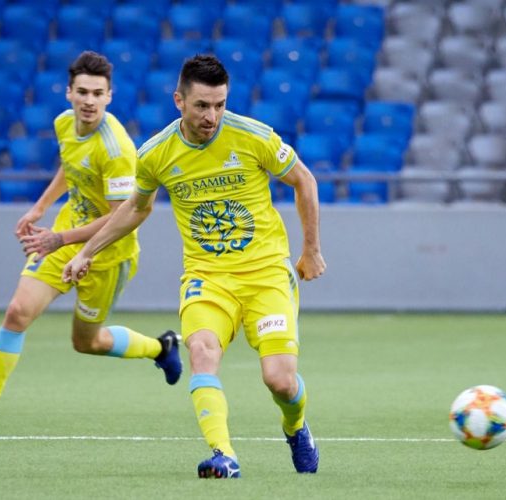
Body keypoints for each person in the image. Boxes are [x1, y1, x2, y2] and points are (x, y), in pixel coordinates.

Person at [63, 55, 326, 478]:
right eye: (202, 105)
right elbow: (135, 208)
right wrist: (87, 250)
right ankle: (224, 455)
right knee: (202, 353)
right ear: (179, 101)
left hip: (266, 276)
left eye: (220, 105)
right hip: (208, 278)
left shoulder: (253, 136)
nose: (212, 116)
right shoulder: (155, 153)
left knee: (279, 381)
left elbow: (304, 180)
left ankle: (295, 428)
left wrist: (310, 250)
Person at [0, 51, 182, 437]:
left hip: (108, 254)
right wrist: (40, 207)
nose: (89, 101)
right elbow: (71, 167)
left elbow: (121, 217)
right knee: (17, 313)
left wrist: (61, 239)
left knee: (86, 342)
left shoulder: (116, 150)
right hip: (63, 239)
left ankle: (161, 348)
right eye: (82, 92)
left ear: (109, 96)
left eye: (98, 94)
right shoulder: (64, 124)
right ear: (69, 92)